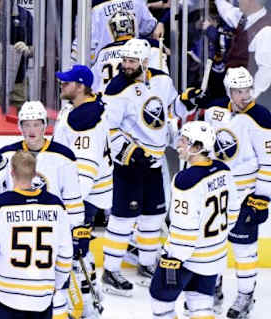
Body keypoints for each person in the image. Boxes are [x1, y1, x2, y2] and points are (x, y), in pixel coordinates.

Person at [174, 66, 271, 318]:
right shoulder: (214, 110)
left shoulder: (262, 119)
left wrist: (261, 199)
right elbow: (199, 140)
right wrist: (194, 106)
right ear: (229, 91)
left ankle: (245, 296)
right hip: (217, 190)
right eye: (238, 91)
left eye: (247, 90)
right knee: (213, 244)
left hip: (245, 194)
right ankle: (213, 287)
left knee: (244, 249)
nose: (244, 96)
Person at [0, 100, 90, 318]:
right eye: (26, 125)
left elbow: (73, 201)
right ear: (19, 127)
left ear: (45, 125)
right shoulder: (7, 155)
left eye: (36, 124)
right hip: (14, 237)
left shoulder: (64, 156)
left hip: (49, 235)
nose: (31, 130)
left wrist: (77, 230)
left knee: (57, 299)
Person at [101, 38, 177, 296]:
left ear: (145, 62)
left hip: (155, 162)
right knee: (123, 219)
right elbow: (108, 129)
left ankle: (146, 264)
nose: (126, 65)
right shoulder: (116, 89)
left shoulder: (163, 81)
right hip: (130, 165)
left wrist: (189, 100)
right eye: (124, 60)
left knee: (154, 217)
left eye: (132, 61)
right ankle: (110, 270)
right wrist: (130, 152)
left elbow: (172, 110)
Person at [150, 121, 240, 319]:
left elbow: (185, 228)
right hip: (215, 255)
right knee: (200, 305)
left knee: (160, 300)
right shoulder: (223, 169)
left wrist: (172, 258)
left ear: (198, 147)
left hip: (187, 256)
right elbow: (233, 210)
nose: (179, 144)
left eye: (184, 140)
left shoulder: (186, 180)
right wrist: (215, 240)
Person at [0, 150, 73, 319]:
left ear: (11, 172)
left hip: (5, 294)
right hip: (42, 297)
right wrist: (55, 283)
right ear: (35, 173)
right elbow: (65, 254)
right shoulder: (56, 205)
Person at [53, 64, 112, 317]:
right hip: (88, 193)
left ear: (81, 86)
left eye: (67, 82)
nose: (62, 84)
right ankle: (90, 295)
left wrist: (71, 207)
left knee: (73, 249)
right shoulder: (80, 109)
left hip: (84, 196)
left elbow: (85, 173)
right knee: (80, 248)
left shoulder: (84, 121)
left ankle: (85, 308)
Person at [91, 11, 169, 93]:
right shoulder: (149, 46)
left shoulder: (103, 52)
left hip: (107, 99)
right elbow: (161, 77)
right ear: (132, 25)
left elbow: (94, 85)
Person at [215, 0, 271, 100]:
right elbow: (227, 11)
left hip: (248, 101)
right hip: (233, 95)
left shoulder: (267, 31)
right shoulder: (244, 18)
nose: (238, 0)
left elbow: (267, 70)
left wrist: (249, 97)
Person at [72, 0, 164, 65]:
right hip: (133, 62)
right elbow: (149, 28)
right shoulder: (137, 2)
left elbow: (82, 50)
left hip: (105, 65)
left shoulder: (91, 8)